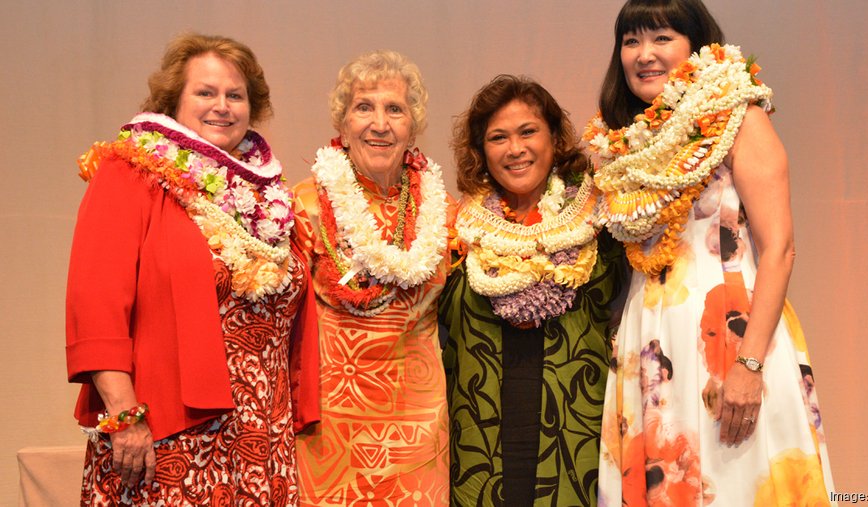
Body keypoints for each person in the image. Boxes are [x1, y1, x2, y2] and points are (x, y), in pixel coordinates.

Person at [583, 0, 834, 504]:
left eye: (662, 38)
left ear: (696, 47)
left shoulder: (739, 119)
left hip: (730, 336)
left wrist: (750, 365)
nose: (644, 54)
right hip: (649, 344)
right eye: (631, 41)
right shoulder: (621, 145)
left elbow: (779, 248)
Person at [66, 33, 318, 505]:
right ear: (173, 102)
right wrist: (124, 417)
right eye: (205, 93)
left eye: (235, 95)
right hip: (166, 432)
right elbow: (95, 304)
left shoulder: (267, 194)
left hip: (264, 439)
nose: (221, 106)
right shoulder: (131, 171)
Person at [439, 74, 627, 506]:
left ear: (555, 138)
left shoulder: (602, 222)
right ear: (481, 152)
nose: (515, 148)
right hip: (477, 451)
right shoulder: (455, 229)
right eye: (497, 137)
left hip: (578, 446)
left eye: (528, 131)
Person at [292, 50, 451, 505]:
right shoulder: (303, 206)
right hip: (329, 428)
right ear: (343, 122)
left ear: (413, 126)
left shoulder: (444, 213)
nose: (379, 124)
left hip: (419, 426)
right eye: (365, 107)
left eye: (395, 109)